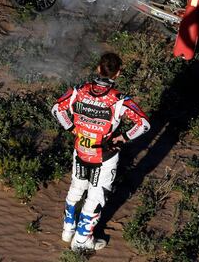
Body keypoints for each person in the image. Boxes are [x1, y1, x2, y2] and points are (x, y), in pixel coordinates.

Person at [51, 52, 150, 252]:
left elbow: (56, 109)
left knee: (77, 188)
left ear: (98, 68)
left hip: (80, 150)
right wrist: (123, 138)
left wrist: (73, 129)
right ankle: (81, 241)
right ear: (118, 73)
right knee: (96, 197)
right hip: (104, 156)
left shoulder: (78, 90)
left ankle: (67, 231)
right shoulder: (119, 100)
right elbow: (144, 124)